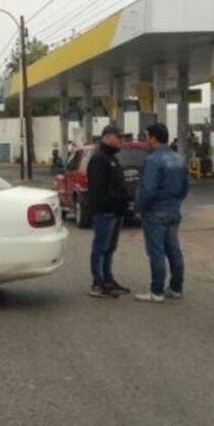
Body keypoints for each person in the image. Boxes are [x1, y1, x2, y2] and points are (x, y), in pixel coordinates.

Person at [134, 123, 189, 303]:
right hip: (173, 211)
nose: (145, 141)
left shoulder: (152, 160)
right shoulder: (179, 158)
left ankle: (156, 291)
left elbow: (148, 189)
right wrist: (175, 202)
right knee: (174, 250)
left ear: (154, 138)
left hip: (155, 212)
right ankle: (176, 287)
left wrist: (139, 208)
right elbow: (185, 187)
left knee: (156, 252)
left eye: (147, 136)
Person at [86, 125, 131, 298]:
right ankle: (97, 283)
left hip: (115, 212)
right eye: (118, 137)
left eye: (123, 137)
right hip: (106, 212)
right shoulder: (100, 159)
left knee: (110, 249)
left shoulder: (112, 158)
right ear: (106, 137)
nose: (122, 141)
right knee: (100, 248)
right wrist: (108, 208)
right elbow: (97, 189)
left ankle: (107, 279)